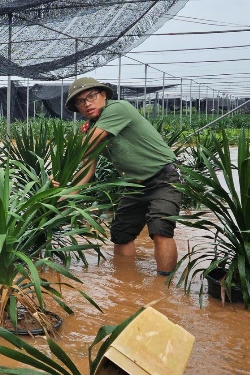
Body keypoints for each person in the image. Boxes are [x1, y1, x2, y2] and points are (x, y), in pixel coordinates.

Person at [64, 77, 181, 275]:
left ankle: (163, 288)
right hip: (135, 186)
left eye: (91, 96)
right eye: (80, 101)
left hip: (164, 179)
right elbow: (87, 168)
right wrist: (66, 193)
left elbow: (84, 149)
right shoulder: (93, 129)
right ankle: (125, 279)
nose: (87, 103)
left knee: (160, 229)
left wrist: (61, 167)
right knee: (121, 234)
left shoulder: (118, 108)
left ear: (103, 95)